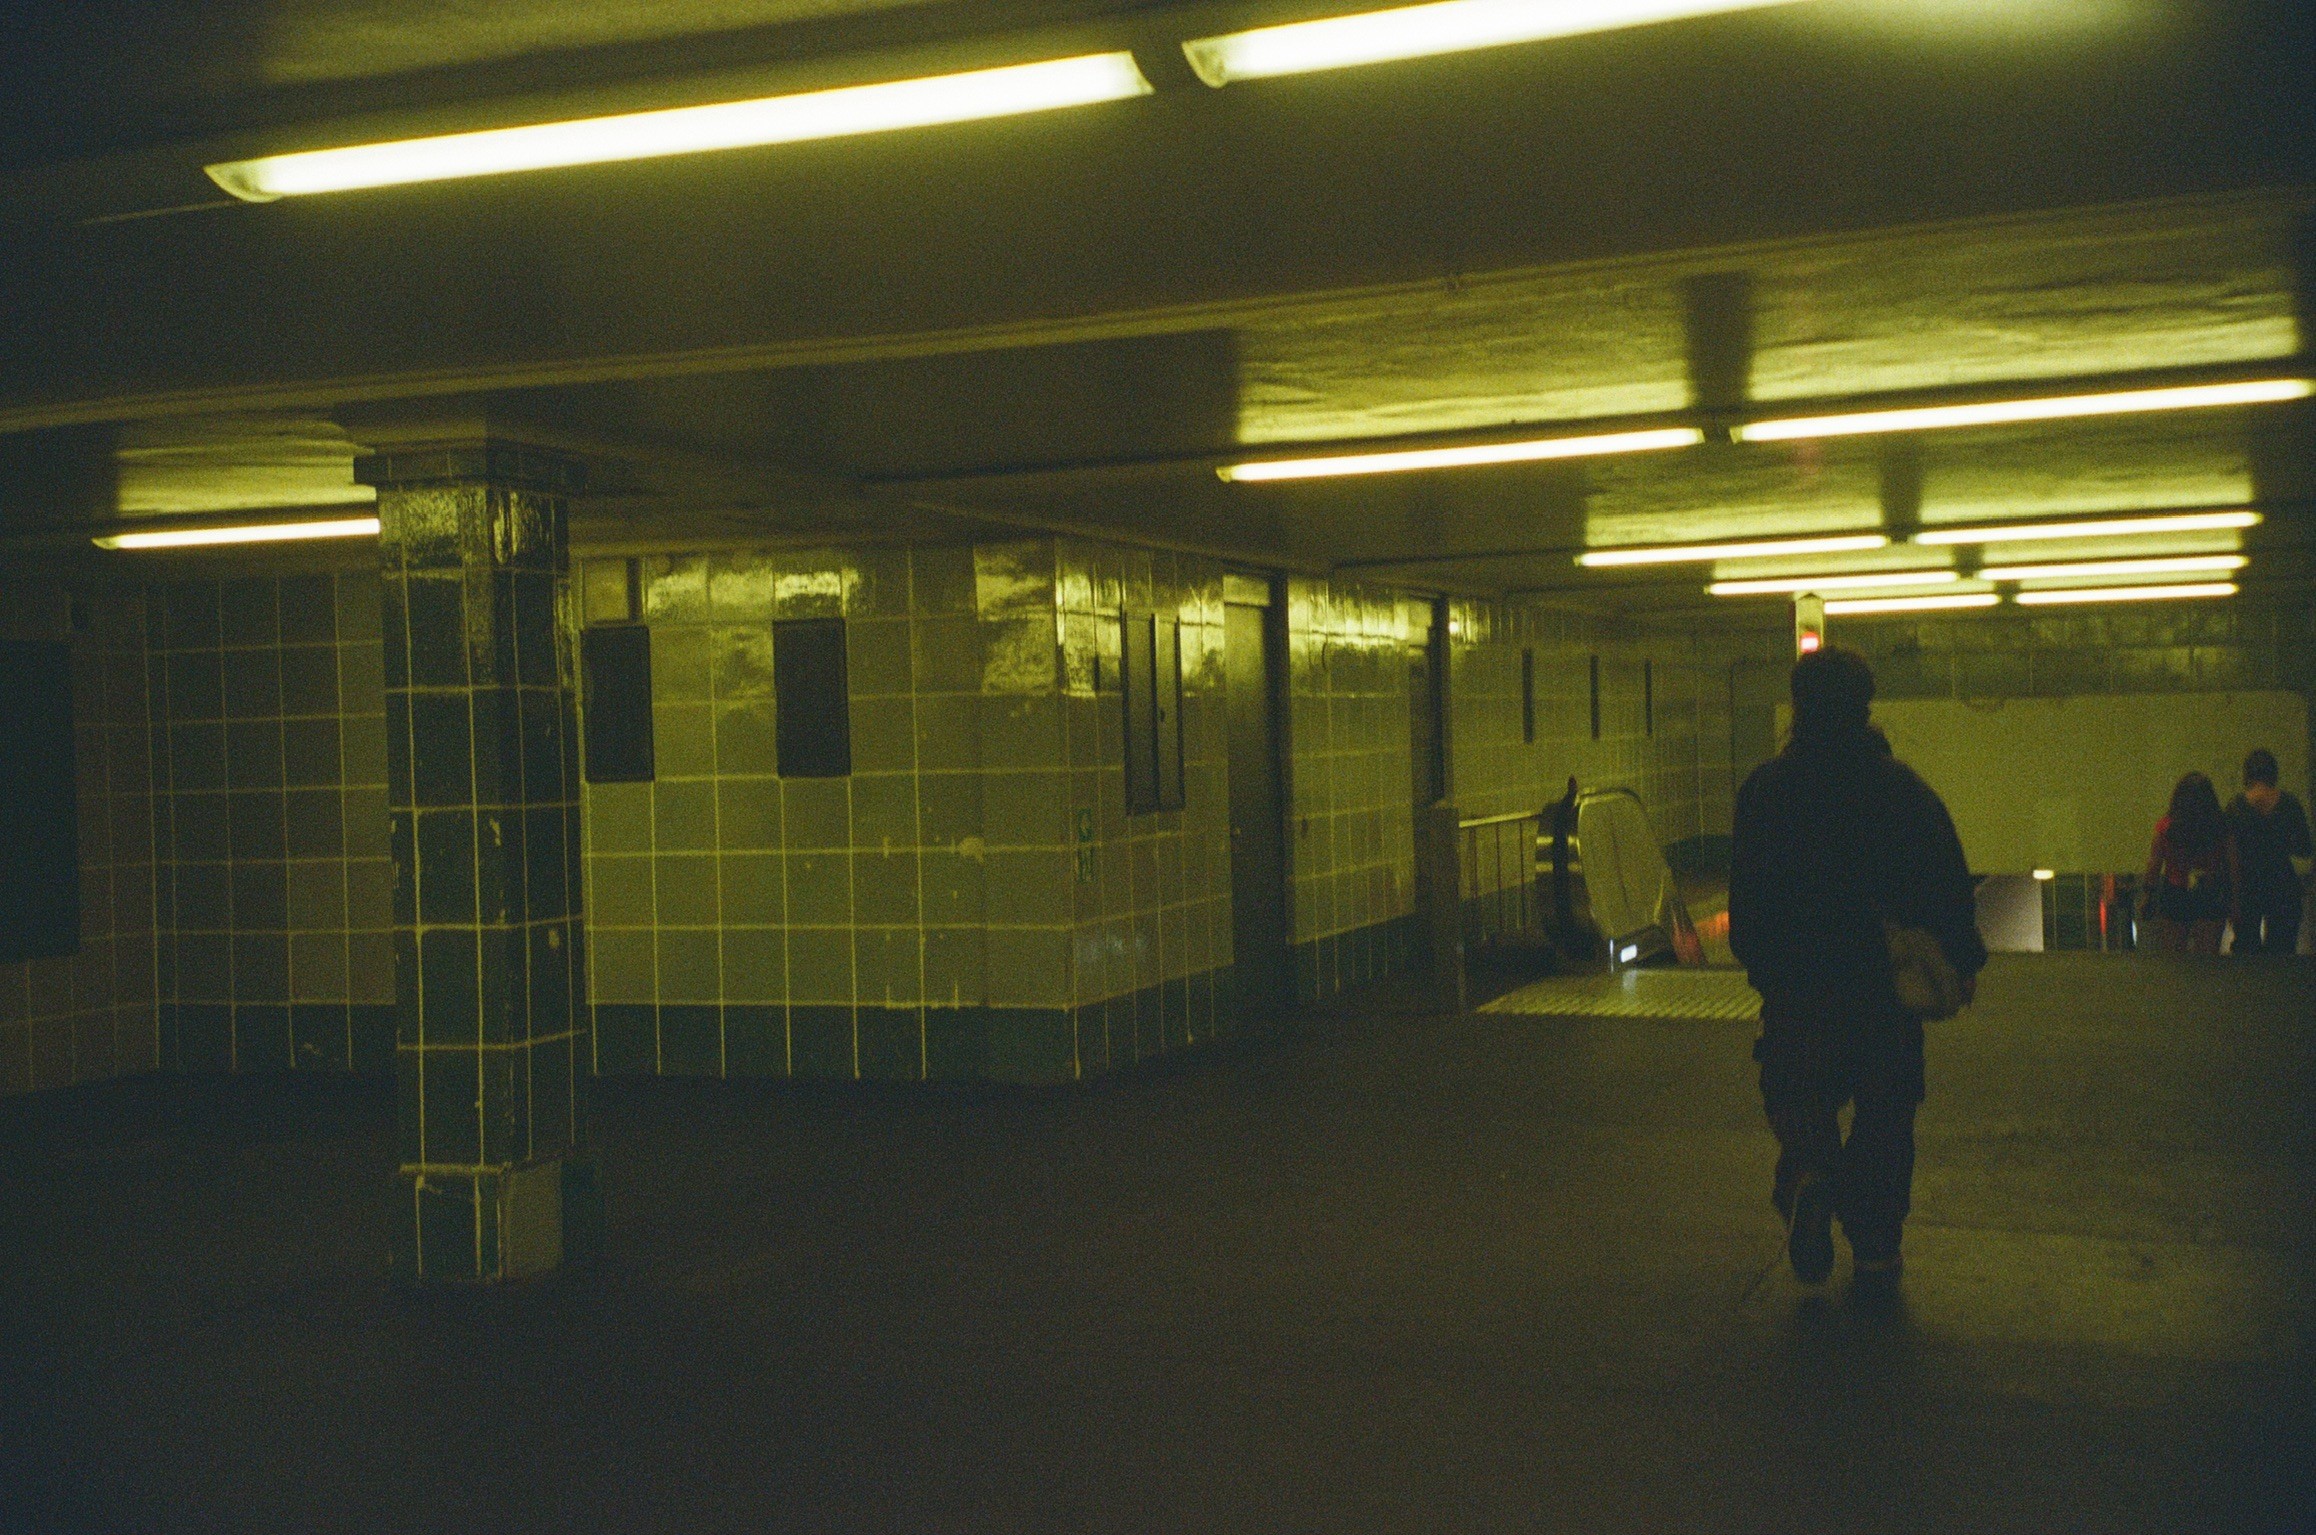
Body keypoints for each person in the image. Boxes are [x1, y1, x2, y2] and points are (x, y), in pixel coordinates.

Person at [1729, 648, 1985, 1294]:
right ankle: (1874, 1247)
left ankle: (1810, 1174)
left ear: (1798, 708)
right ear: (1865, 707)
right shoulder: (1900, 788)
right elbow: (1946, 882)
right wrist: (1963, 960)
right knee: (1885, 1114)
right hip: (1881, 987)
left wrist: (1763, 966)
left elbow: (1746, 900)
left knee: (1798, 1094)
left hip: (1797, 985)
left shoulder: (1766, 790)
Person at [2142, 772, 2239, 955]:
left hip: (2175, 891)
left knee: (2175, 958)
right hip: (2211, 892)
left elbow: (2154, 864)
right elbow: (2233, 865)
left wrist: (2147, 895)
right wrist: (2235, 900)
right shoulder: (2221, 827)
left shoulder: (2166, 827)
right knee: (2207, 958)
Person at [2225, 749, 2310, 955]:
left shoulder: (2236, 807)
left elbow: (2230, 856)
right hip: (2282, 883)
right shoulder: (2289, 804)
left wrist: (2232, 898)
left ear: (2247, 774)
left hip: (2247, 885)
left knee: (2246, 953)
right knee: (2282, 953)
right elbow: (2305, 848)